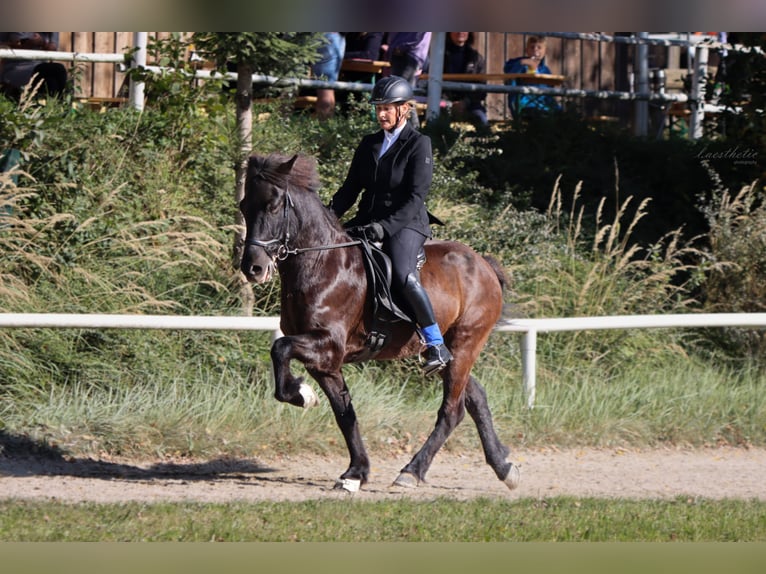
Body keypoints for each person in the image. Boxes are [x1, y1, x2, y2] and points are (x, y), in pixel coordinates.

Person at [328, 75, 452, 375]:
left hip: (406, 224)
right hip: (367, 221)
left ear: (405, 109)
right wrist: (326, 218)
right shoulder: (369, 143)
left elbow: (414, 197)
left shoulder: (419, 144)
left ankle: (435, 342)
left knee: (403, 274)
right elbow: (350, 189)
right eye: (378, 108)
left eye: (388, 108)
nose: (381, 113)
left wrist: (385, 228)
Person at [503, 35, 560, 119]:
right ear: (527, 50)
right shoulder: (520, 64)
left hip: (543, 103)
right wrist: (522, 63)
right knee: (539, 115)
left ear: (545, 51)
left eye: (539, 47)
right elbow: (509, 77)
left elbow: (551, 85)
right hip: (524, 103)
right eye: (532, 47)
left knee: (562, 115)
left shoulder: (544, 69)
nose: (535, 50)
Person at [0, 32, 68, 101]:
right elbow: (2, 44)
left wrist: (42, 43)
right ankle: (61, 104)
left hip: (41, 66)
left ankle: (56, 107)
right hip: (16, 68)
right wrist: (21, 45)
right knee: (58, 69)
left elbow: (53, 48)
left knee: (52, 81)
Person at [442, 32, 488, 126]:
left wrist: (465, 102)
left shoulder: (476, 58)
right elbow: (431, 83)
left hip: (470, 104)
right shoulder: (439, 56)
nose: (460, 32)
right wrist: (449, 103)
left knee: (481, 119)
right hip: (443, 103)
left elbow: (482, 88)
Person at [311, 32, 346, 119]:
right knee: (326, 86)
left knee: (289, 82)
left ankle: (282, 122)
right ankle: (325, 127)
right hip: (335, 36)